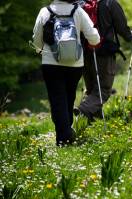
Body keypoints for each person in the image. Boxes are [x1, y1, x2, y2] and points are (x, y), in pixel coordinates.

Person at [32, 0, 100, 146]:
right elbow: (94, 37)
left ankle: (64, 137)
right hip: (75, 64)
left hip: (51, 63)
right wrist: (91, 41)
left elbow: (37, 40)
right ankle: (66, 133)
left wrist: (39, 50)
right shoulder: (78, 11)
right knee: (69, 98)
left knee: (58, 100)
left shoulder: (45, 12)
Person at [74, 0, 132, 121]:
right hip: (104, 51)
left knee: (93, 89)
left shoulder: (80, 3)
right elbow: (122, 28)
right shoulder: (110, 3)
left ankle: (93, 118)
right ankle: (83, 109)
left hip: (84, 51)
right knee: (103, 89)